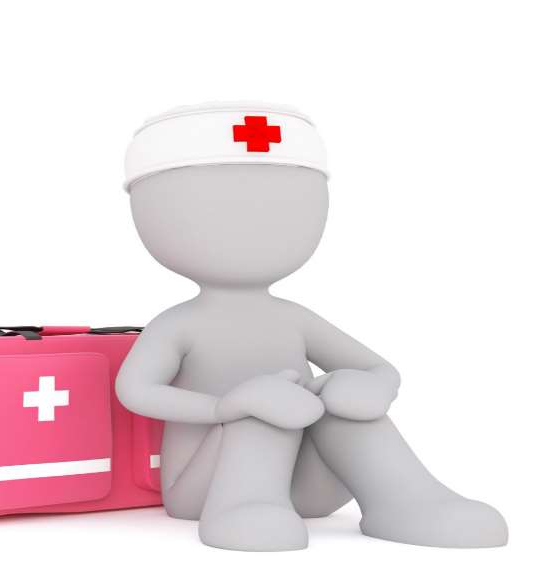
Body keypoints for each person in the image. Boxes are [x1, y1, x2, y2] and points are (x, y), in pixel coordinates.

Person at [115, 102, 508, 551]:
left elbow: (379, 368)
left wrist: (366, 388)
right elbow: (135, 390)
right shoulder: (180, 323)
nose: (255, 230)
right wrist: (228, 406)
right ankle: (243, 508)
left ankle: (410, 502)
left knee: (336, 395)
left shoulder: (294, 317)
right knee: (266, 405)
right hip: (207, 489)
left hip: (308, 487)